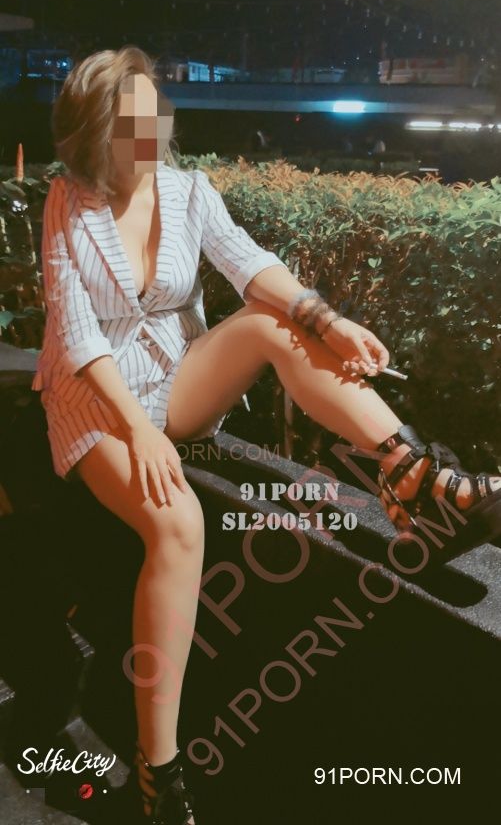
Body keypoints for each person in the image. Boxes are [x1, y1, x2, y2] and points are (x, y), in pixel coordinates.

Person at [32, 46, 501, 824]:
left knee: (272, 325)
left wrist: (330, 320)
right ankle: (159, 772)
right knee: (179, 526)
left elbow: (249, 264)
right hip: (93, 399)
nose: (151, 136)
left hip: (172, 381)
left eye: (156, 117)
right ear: (92, 132)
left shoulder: (187, 190)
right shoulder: (67, 200)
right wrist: (137, 432)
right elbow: (77, 334)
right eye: (130, 124)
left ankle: (418, 477)